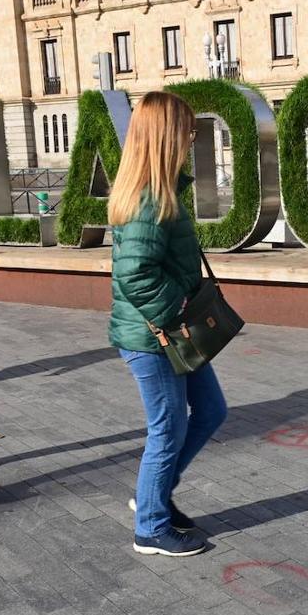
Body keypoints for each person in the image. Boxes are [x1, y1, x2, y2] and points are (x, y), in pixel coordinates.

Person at [108, 91, 227, 558]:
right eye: (188, 130)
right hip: (153, 336)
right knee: (168, 428)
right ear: (167, 135)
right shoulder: (148, 197)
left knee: (212, 410)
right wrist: (176, 308)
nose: (192, 138)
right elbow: (135, 273)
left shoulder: (163, 189)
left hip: (168, 332)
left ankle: (153, 499)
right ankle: (150, 528)